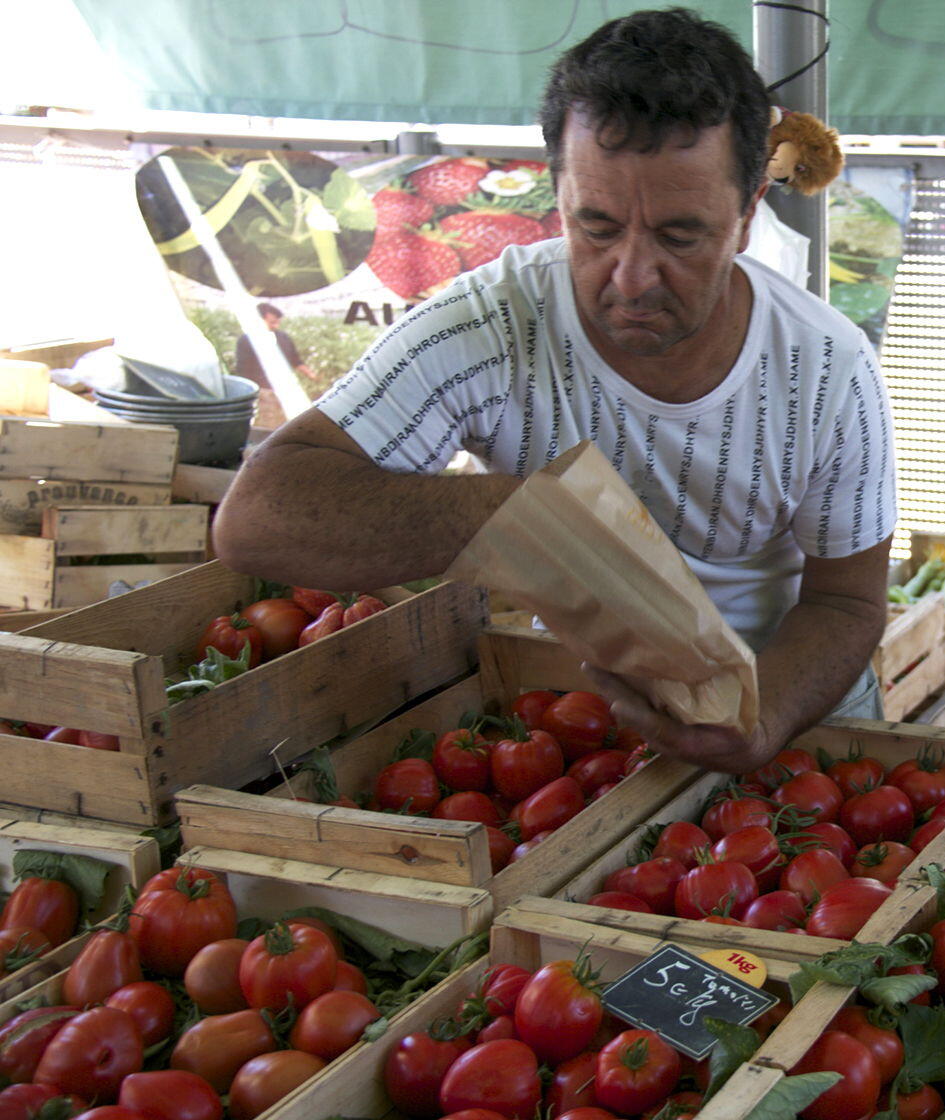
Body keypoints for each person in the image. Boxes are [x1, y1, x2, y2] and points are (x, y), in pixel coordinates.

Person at [213, 8, 897, 776]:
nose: (632, 278)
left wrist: (761, 718)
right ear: (557, 196)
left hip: (801, 722)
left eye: (680, 236)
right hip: (591, 725)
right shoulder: (491, 325)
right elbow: (258, 517)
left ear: (746, 215)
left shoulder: (828, 369)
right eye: (596, 227)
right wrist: (512, 514)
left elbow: (847, 604)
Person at [233, 302, 311, 430]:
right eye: (272, 322)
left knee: (288, 426)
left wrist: (311, 375)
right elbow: (243, 370)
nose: (276, 326)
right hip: (263, 393)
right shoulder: (246, 340)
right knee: (267, 428)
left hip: (286, 391)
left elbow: (295, 361)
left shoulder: (283, 338)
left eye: (277, 322)